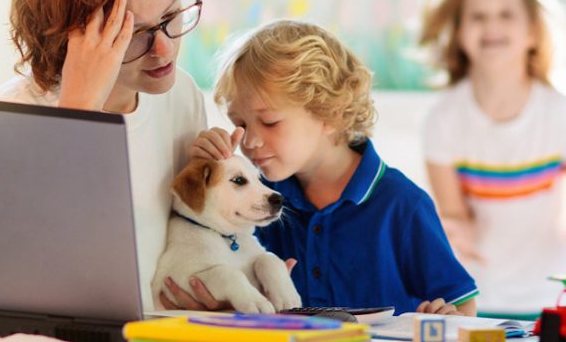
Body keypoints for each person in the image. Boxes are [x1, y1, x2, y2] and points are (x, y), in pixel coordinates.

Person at [0, 0, 208, 312]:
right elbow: (26, 277)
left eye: (171, 17)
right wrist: (79, 110)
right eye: (134, 34)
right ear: (71, 35)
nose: (164, 50)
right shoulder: (9, 119)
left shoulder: (180, 95)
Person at [192, 20, 480, 316]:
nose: (250, 140)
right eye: (240, 123)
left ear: (330, 113)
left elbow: (463, 304)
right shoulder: (262, 197)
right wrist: (205, 166)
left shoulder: (402, 204)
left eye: (269, 122)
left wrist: (447, 318)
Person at [417, 0, 566, 316]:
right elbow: (452, 212)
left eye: (506, 14)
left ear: (532, 33)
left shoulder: (562, 113)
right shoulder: (443, 119)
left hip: (556, 301)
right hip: (478, 298)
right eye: (478, 16)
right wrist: (454, 230)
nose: (491, 24)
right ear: (461, 33)